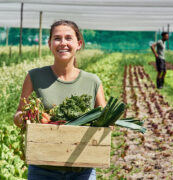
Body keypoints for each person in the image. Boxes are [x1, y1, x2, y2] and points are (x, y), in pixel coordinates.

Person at [13, 20, 106, 180]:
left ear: (79, 44)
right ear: (49, 44)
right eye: (57, 38)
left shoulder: (93, 81)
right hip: (43, 167)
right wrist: (28, 116)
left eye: (68, 38)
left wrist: (107, 122)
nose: (63, 43)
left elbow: (106, 122)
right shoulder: (34, 76)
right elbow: (18, 116)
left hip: (82, 169)